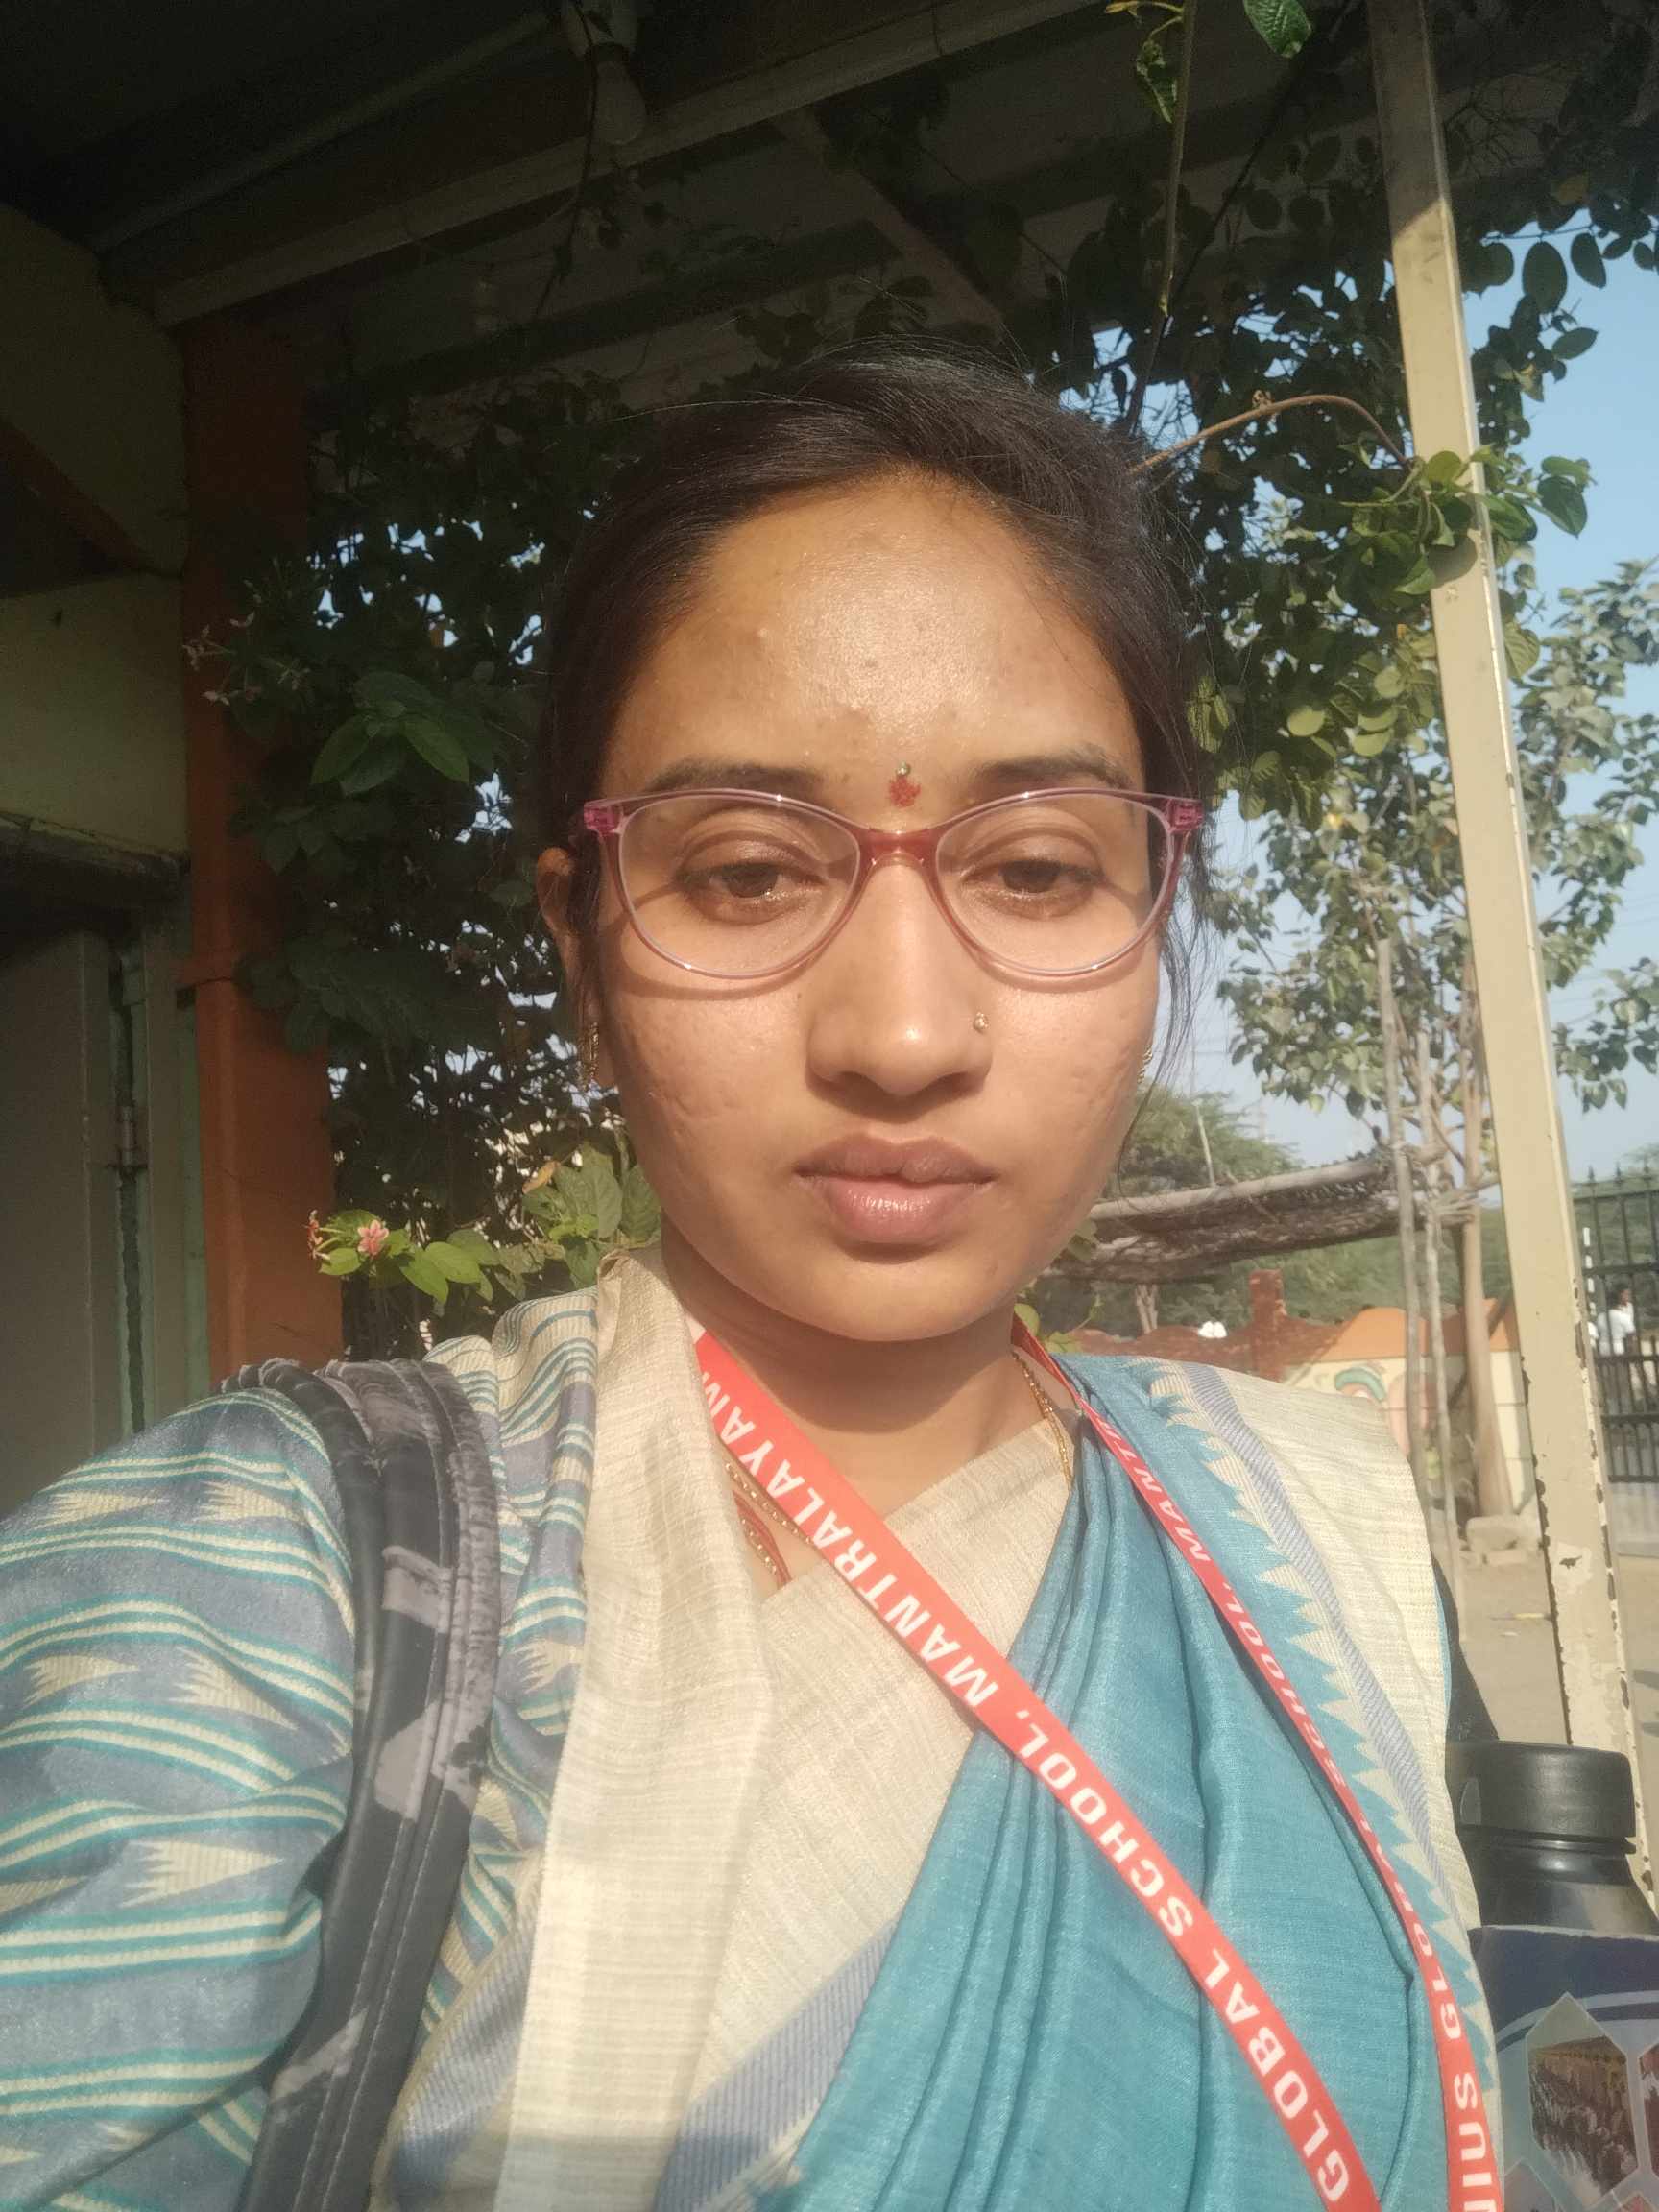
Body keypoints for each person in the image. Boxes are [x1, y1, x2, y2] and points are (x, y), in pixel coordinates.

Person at [0, 345, 1496, 2211]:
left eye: (1037, 870)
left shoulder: (1313, 1539)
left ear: (1153, 908)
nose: (902, 1034)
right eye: (742, 873)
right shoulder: (268, 1591)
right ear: (581, 947)